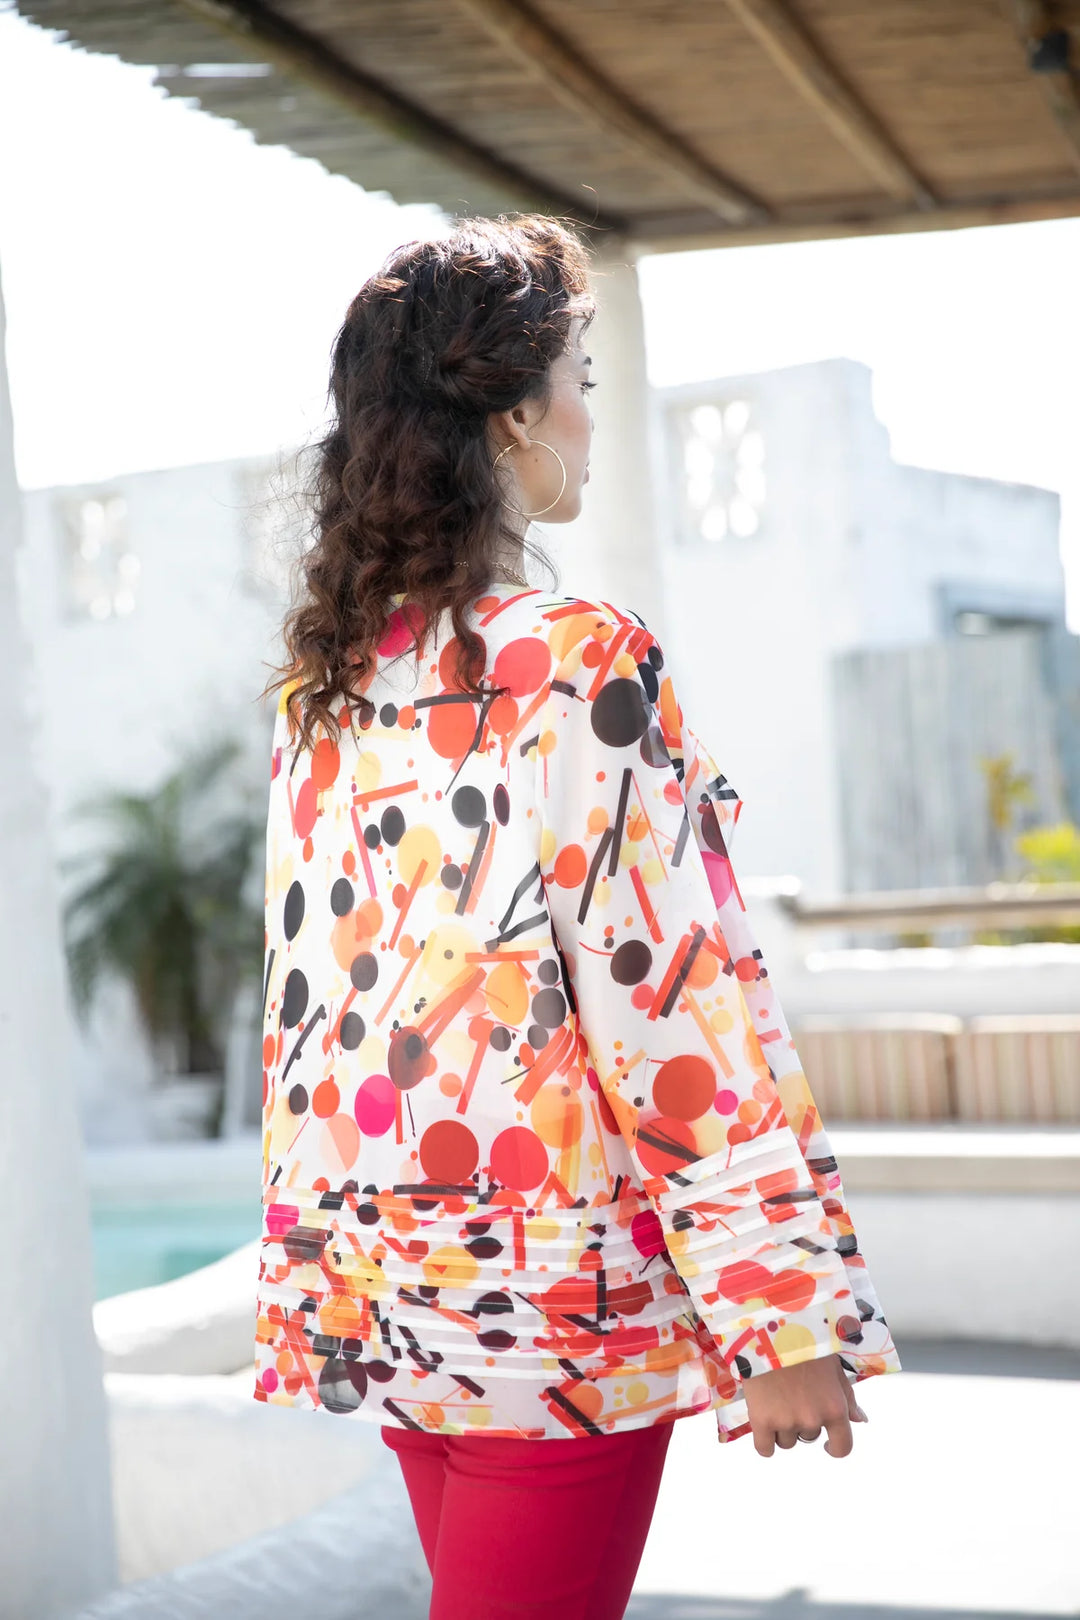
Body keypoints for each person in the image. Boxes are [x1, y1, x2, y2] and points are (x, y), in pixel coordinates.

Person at [253, 213, 902, 1620]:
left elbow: (313, 1027)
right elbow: (670, 997)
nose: (590, 423)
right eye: (580, 384)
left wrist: (321, 1277)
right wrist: (779, 1310)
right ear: (511, 417)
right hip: (554, 1309)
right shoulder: (581, 663)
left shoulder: (329, 691)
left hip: (392, 1285)